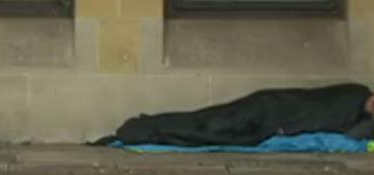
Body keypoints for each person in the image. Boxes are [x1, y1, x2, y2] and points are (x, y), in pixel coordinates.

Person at [98, 83, 374, 147]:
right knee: (208, 123)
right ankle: (143, 128)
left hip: (269, 114)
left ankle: (146, 128)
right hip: (265, 109)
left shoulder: (358, 113)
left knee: (210, 129)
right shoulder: (354, 95)